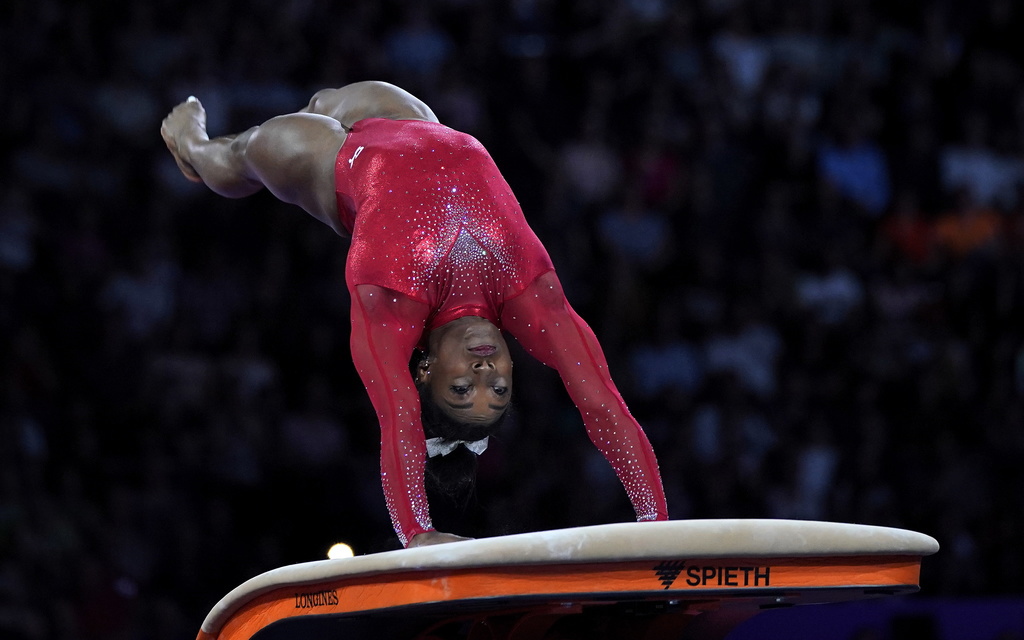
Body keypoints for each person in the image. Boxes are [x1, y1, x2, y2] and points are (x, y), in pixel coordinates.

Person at [160, 80, 668, 548]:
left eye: (463, 388)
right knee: (324, 97)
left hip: (330, 161)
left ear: (429, 370)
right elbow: (603, 404)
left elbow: (397, 417)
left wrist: (417, 534)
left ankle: (192, 144)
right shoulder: (531, 294)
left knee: (236, 159)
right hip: (413, 122)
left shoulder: (391, 302)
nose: (484, 373)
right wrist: (657, 526)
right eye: (498, 387)